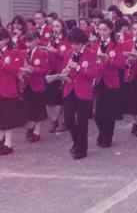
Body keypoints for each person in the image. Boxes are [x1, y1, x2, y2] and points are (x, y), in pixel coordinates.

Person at [0, 28, 26, 156]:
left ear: (7, 40)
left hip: (8, 88)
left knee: (7, 117)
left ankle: (8, 143)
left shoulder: (14, 52)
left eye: (0, 39)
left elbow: (15, 70)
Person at [62, 28, 99, 160]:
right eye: (72, 43)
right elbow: (65, 71)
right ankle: (77, 142)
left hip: (84, 91)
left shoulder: (91, 54)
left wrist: (78, 67)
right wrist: (64, 72)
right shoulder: (68, 53)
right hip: (69, 89)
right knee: (68, 120)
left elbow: (93, 73)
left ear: (83, 43)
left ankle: (82, 149)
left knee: (82, 121)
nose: (74, 46)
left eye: (77, 44)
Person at [94, 19, 125, 148]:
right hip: (98, 80)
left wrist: (108, 60)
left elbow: (121, 64)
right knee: (97, 114)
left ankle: (107, 137)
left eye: (105, 30)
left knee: (109, 112)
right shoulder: (95, 44)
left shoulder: (117, 45)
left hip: (111, 81)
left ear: (110, 30)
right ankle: (102, 132)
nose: (102, 32)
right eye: (100, 29)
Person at [21, 32, 50, 143]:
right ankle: (31, 126)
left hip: (38, 84)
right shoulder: (24, 53)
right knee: (29, 108)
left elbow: (45, 69)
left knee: (38, 108)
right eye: (26, 41)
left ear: (36, 40)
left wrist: (32, 69)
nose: (28, 44)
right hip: (26, 84)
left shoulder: (41, 53)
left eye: (31, 41)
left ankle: (36, 131)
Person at [44, 18, 69, 133]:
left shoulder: (66, 40)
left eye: (57, 26)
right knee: (51, 98)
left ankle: (64, 121)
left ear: (62, 27)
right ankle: (54, 121)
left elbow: (67, 55)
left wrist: (55, 51)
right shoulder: (51, 39)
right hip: (51, 70)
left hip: (62, 71)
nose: (55, 29)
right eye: (53, 26)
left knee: (62, 98)